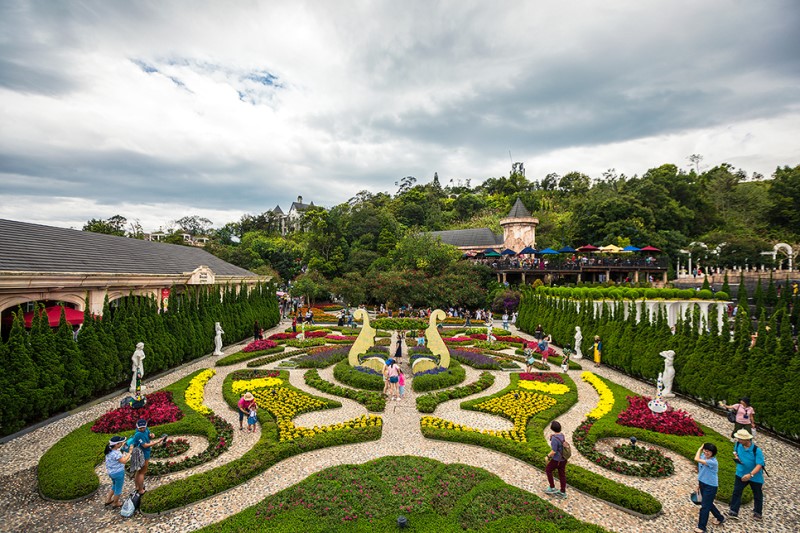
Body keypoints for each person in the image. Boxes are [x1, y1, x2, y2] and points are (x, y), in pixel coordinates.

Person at [727, 429, 765, 521]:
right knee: (737, 491)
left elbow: (759, 465)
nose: (738, 440)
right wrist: (736, 457)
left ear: (747, 440)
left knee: (757, 494)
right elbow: (735, 451)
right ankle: (733, 511)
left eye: (740, 439)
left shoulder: (757, 450)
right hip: (740, 473)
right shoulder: (738, 444)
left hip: (755, 476)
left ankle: (758, 512)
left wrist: (750, 475)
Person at [694, 443, 725, 532]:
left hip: (710, 486)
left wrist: (700, 449)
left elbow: (696, 459)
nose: (706, 452)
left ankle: (702, 527)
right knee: (708, 503)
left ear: (713, 453)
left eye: (708, 451)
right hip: (703, 483)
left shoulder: (713, 462)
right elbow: (701, 472)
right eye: (705, 450)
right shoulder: (703, 456)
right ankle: (720, 517)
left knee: (705, 506)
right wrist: (699, 485)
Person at [130, 419, 166, 495]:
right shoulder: (138, 434)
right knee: (142, 473)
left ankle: (137, 486)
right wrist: (156, 442)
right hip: (142, 454)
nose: (142, 429)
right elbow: (145, 445)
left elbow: (149, 435)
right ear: (137, 427)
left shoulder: (146, 429)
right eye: (140, 428)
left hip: (143, 453)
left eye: (143, 427)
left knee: (138, 471)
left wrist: (151, 435)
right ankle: (140, 490)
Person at [103, 436, 131, 508]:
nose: (122, 443)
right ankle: (116, 503)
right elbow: (124, 461)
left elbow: (117, 454)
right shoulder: (117, 453)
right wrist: (130, 452)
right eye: (120, 442)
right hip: (118, 473)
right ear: (116, 444)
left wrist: (122, 445)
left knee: (114, 486)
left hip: (111, 473)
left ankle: (108, 500)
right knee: (118, 489)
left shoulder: (109, 450)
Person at [544, 420, 568, 499]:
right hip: (563, 459)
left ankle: (552, 487)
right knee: (562, 475)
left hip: (557, 460)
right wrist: (553, 436)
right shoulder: (562, 435)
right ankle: (562, 492)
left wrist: (547, 456)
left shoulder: (554, 439)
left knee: (548, 470)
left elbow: (554, 451)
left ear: (552, 428)